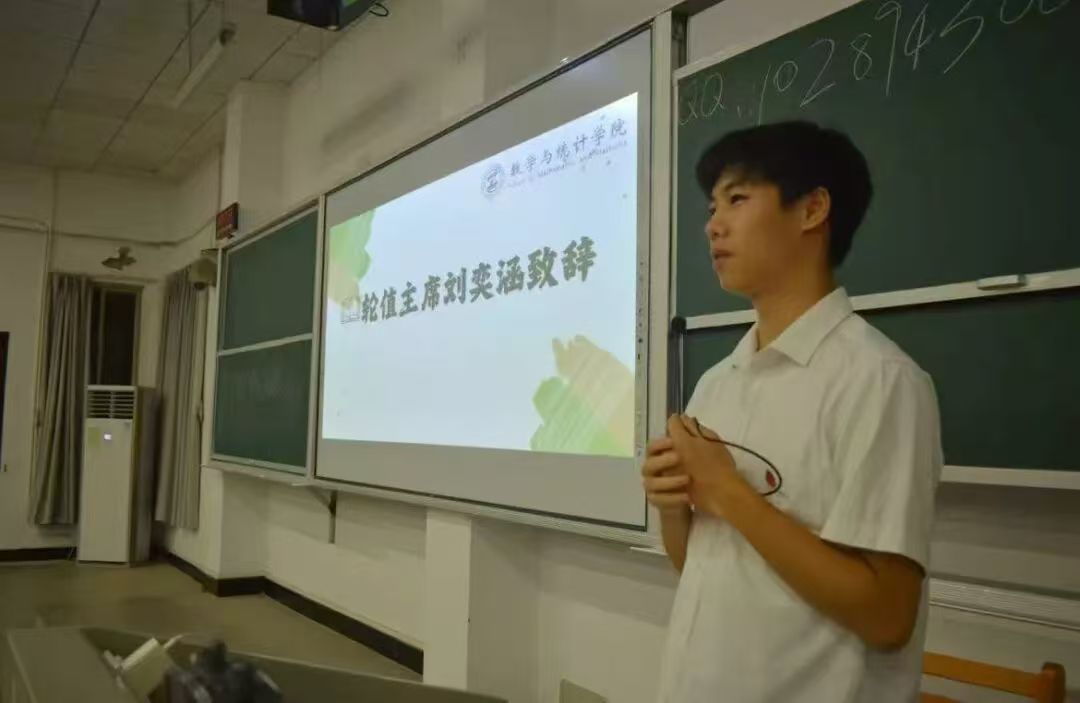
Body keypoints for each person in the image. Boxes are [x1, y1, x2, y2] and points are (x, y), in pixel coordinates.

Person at [645, 121, 942, 702]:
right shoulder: (717, 383)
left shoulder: (881, 382)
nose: (713, 225)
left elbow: (887, 616)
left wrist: (727, 492)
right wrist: (674, 507)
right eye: (711, 207)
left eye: (737, 199)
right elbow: (704, 566)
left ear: (812, 210)